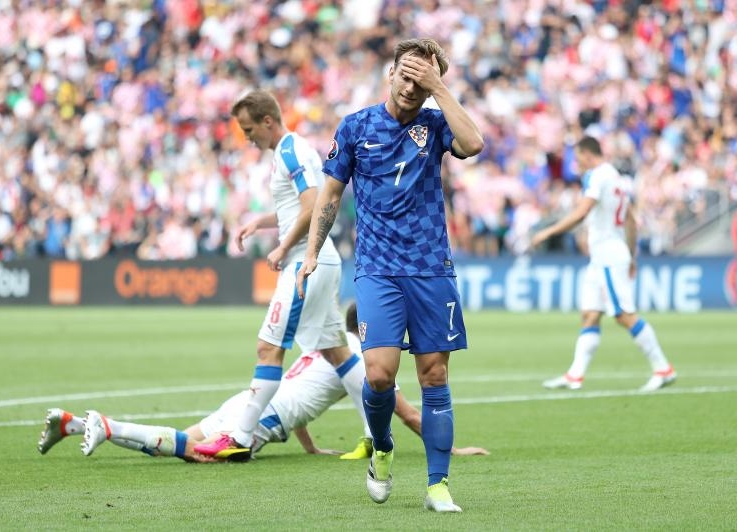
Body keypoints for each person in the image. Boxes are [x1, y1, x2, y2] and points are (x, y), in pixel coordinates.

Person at [296, 38, 484, 513]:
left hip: (430, 267)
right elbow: (332, 195)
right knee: (378, 375)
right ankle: (381, 447)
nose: (409, 87)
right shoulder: (357, 127)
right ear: (390, 73)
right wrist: (311, 253)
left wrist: (438, 87)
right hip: (378, 268)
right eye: (405, 75)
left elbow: (475, 144)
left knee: (434, 372)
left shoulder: (436, 123)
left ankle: (438, 484)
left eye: (419, 80)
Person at [37, 306, 489, 461]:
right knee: (197, 455)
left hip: (252, 400)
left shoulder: (330, 346)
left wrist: (309, 446)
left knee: (189, 437)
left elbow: (300, 391)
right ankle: (107, 427)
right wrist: (450, 450)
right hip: (263, 419)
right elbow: (405, 411)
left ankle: (78, 423)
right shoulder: (356, 359)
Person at [194, 90, 370, 461]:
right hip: (321, 258)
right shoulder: (287, 153)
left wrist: (282, 246)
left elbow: (315, 204)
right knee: (337, 352)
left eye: (248, 129)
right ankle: (376, 432)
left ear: (267, 122)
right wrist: (262, 222)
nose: (246, 137)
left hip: (307, 261)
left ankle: (240, 435)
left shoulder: (291, 150)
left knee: (268, 348)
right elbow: (297, 207)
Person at [530, 136, 676, 392]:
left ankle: (663, 368)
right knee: (589, 314)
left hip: (608, 254)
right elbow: (630, 219)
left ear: (588, 154)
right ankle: (575, 375)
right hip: (604, 256)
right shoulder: (615, 177)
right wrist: (632, 255)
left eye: (578, 158)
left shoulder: (598, 176)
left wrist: (548, 232)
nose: (577, 164)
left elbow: (583, 211)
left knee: (622, 315)